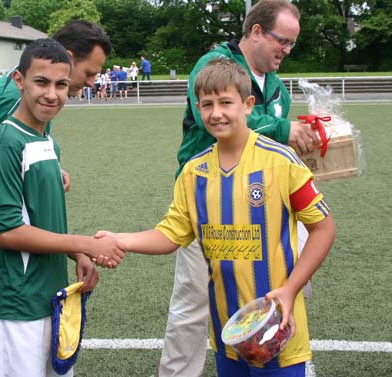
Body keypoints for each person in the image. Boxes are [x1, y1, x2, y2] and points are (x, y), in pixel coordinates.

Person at [96, 58, 335, 377]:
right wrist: (119, 239)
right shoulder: (194, 172)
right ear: (197, 107)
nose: (216, 113)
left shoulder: (282, 162)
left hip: (276, 326)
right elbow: (170, 235)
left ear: (248, 104)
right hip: (229, 334)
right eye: (207, 104)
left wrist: (291, 289)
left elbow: (323, 228)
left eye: (226, 102)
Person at [160, 1, 321, 375]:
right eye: (283, 40)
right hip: (208, 203)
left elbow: (270, 147)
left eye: (293, 44)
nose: (287, 50)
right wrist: (284, 129)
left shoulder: (277, 88)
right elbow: (219, 126)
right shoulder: (214, 65)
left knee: (284, 286)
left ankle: (280, 355)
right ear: (256, 31)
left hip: (267, 207)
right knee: (193, 303)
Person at [0, 38, 124, 377]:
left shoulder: (47, 142)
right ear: (20, 81)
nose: (52, 94)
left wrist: (78, 256)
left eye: (61, 84)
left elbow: (41, 218)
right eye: (41, 82)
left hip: (52, 297)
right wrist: (84, 244)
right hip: (16, 304)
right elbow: (9, 233)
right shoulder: (4, 143)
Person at [0, 20, 113, 318]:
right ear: (67, 56)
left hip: (25, 229)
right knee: (12, 317)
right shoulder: (14, 98)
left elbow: (20, 154)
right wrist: (2, 222)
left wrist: (45, 170)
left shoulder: (37, 97)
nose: (92, 81)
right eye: (89, 72)